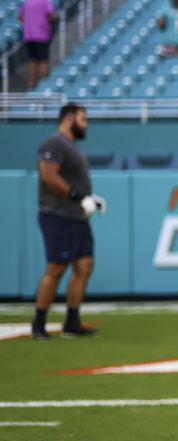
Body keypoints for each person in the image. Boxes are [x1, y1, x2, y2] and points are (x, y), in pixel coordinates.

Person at [31, 103, 104, 340]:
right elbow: (48, 175)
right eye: (83, 118)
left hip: (76, 216)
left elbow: (71, 182)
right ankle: (39, 322)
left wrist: (89, 198)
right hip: (58, 215)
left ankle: (72, 321)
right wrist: (76, 196)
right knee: (56, 267)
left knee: (84, 266)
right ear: (69, 118)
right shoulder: (54, 143)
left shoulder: (70, 146)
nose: (87, 123)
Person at [20, 0, 58, 91]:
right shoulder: (45, 0)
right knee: (43, 60)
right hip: (41, 34)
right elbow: (52, 15)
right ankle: (43, 83)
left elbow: (20, 16)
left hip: (29, 34)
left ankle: (31, 82)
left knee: (31, 59)